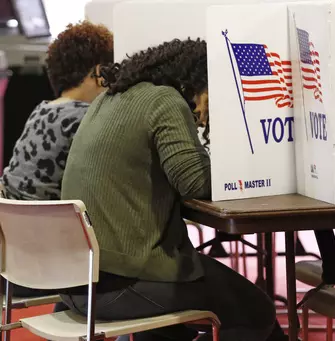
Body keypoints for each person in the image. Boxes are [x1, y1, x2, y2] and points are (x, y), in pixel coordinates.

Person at [60, 38, 288, 341]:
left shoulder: (109, 99)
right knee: (256, 308)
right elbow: (194, 182)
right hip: (119, 284)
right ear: (201, 79)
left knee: (171, 331)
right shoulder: (164, 101)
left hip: (76, 280)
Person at [0, 21, 113, 303]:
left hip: (16, 265)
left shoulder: (39, 111)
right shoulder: (88, 120)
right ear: (98, 72)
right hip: (62, 268)